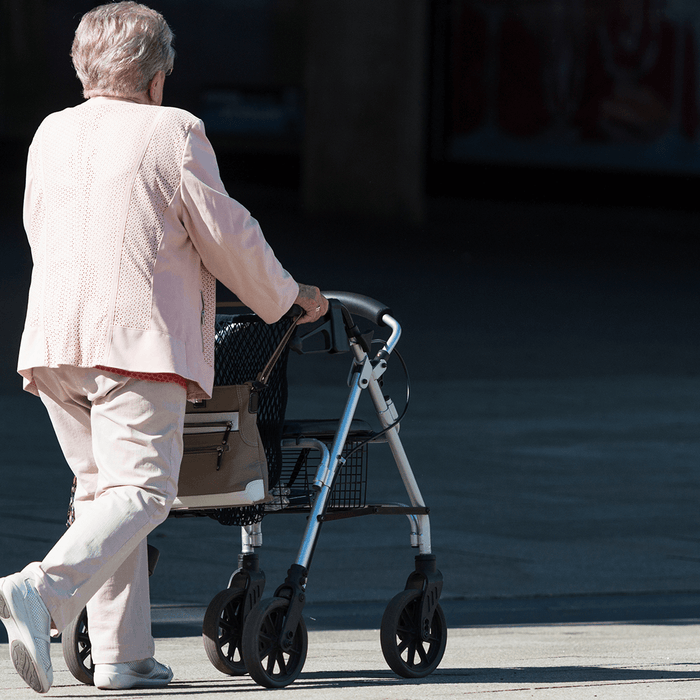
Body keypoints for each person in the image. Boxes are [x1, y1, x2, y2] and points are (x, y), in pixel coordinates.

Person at [0, 2, 328, 694]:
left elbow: (41, 227)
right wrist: (286, 295)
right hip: (134, 340)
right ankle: (42, 589)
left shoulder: (50, 132)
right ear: (156, 76)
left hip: (56, 341)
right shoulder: (171, 130)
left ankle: (124, 658)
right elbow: (226, 232)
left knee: (103, 497)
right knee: (145, 492)